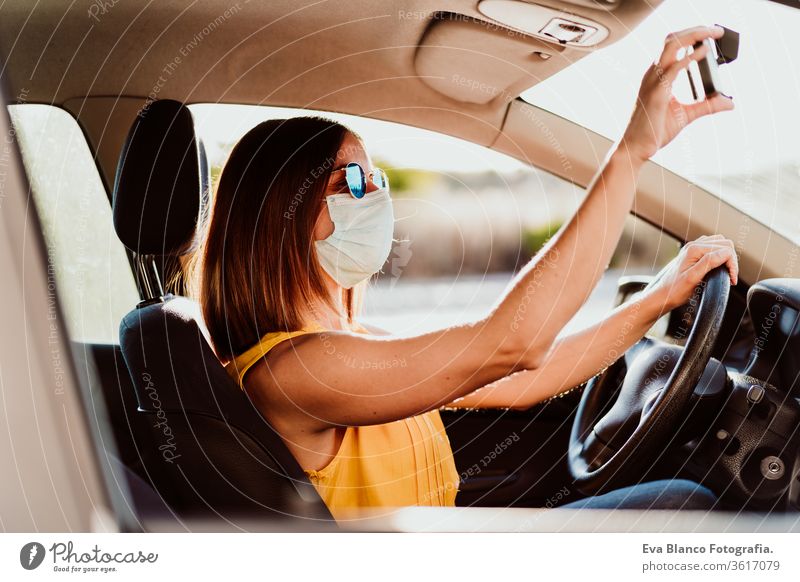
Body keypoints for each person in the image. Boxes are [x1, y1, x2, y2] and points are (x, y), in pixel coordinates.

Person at [191, 26, 738, 521]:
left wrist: (660, 297)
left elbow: (528, 379)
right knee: (687, 505)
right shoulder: (299, 372)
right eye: (352, 182)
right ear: (278, 217)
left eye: (376, 176)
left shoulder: (353, 345)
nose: (377, 192)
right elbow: (513, 343)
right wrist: (630, 154)